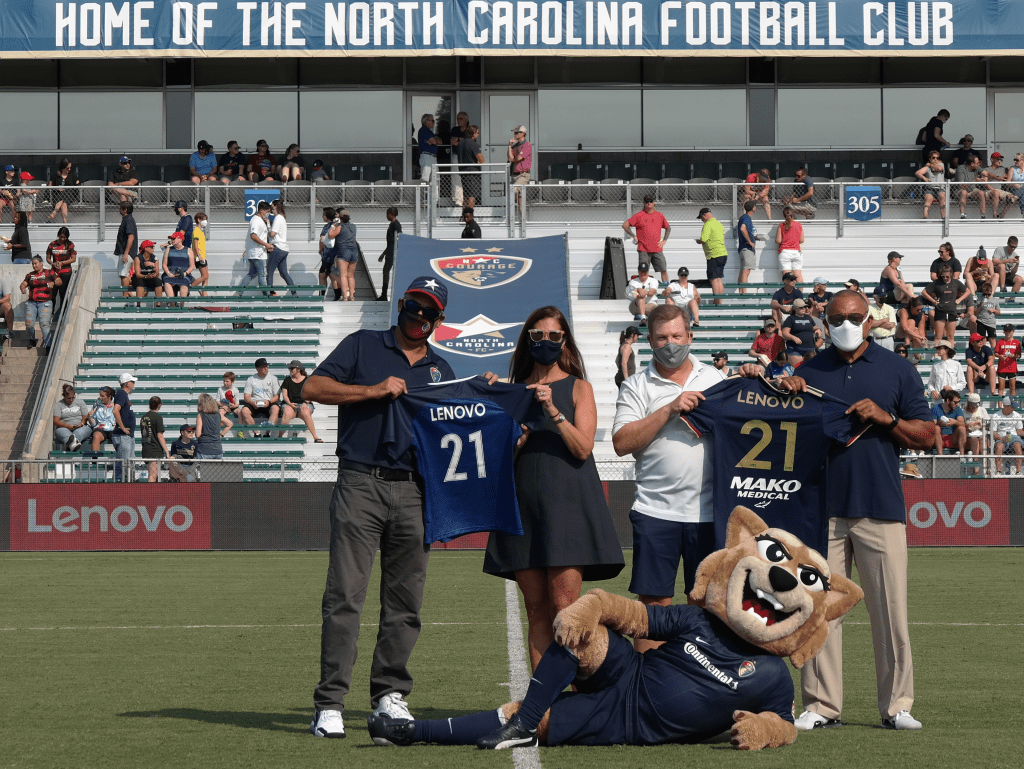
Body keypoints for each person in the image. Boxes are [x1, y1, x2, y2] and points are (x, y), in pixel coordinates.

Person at [763, 289, 934, 733]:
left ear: (870, 320)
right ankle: (820, 705)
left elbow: (927, 434)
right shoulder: (808, 369)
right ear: (824, 321)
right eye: (837, 317)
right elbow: (782, 438)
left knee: (890, 610)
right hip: (821, 511)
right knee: (817, 610)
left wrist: (888, 419)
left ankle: (898, 705)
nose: (845, 324)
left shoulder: (898, 369)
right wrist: (788, 398)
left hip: (880, 506)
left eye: (854, 316)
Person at [304, 277, 457, 739]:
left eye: (428, 311)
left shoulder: (441, 370)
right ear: (400, 304)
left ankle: (390, 696)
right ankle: (330, 702)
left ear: (438, 319)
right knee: (344, 597)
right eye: (413, 305)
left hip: (415, 490)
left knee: (405, 602)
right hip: (360, 481)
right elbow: (312, 387)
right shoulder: (362, 345)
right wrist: (371, 391)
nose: (419, 316)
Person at [484, 307, 624, 670]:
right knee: (537, 612)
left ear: (564, 343)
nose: (545, 342)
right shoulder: (510, 392)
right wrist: (510, 427)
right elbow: (495, 459)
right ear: (526, 341)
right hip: (522, 509)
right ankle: (543, 709)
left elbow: (582, 447)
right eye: (537, 336)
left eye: (553, 336)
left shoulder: (580, 387)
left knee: (566, 612)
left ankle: (577, 699)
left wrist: (551, 411)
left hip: (567, 508)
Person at [611, 303, 725, 652]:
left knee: (706, 607)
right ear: (649, 340)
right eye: (662, 338)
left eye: (677, 335)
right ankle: (645, 693)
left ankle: (700, 693)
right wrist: (669, 407)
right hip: (655, 511)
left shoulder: (715, 379)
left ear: (690, 336)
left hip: (709, 513)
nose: (671, 343)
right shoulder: (636, 386)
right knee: (651, 611)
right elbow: (621, 443)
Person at [623, 194, 671, 283]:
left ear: (654, 203)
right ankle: (642, 289)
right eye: (646, 201)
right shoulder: (639, 215)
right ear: (644, 203)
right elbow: (625, 225)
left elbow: (668, 227)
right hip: (643, 248)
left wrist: (664, 240)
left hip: (657, 248)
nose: (649, 203)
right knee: (643, 270)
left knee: (663, 269)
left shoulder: (659, 215)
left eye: (651, 201)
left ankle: (666, 288)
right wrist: (634, 236)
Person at [921, 263, 969, 347]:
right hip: (940, 309)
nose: (945, 278)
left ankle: (950, 354)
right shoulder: (937, 283)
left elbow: (968, 291)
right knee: (938, 336)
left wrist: (959, 299)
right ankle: (936, 354)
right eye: (943, 276)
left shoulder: (956, 282)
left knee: (950, 336)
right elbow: (924, 292)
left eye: (947, 276)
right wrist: (933, 301)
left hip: (952, 310)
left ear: (951, 274)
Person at [19, 256, 59, 350]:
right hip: (32, 303)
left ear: (41, 263)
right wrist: (22, 288)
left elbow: (59, 281)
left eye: (35, 263)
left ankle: (48, 346)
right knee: (29, 324)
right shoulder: (30, 275)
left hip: (45, 303)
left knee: (44, 324)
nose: (34, 265)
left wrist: (53, 283)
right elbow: (23, 283)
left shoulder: (49, 272)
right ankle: (32, 339)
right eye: (32, 264)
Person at [280, 360, 323, 443]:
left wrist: (305, 402)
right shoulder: (287, 380)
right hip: (290, 403)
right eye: (289, 368)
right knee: (287, 412)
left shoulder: (307, 380)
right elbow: (284, 395)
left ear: (298, 369)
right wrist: (290, 404)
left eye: (292, 368)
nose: (290, 370)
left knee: (305, 411)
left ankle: (315, 437)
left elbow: (311, 394)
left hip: (304, 403)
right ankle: (280, 436)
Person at [240, 357, 281, 438]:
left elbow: (277, 396)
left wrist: (269, 402)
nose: (266, 368)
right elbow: (246, 396)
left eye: (266, 366)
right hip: (255, 403)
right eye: (263, 367)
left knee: (275, 409)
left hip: (269, 402)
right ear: (257, 369)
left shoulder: (273, 378)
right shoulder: (251, 379)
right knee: (244, 410)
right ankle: (256, 433)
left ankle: (267, 432)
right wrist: (252, 402)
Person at [239, 201, 273, 297]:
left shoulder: (259, 220)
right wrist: (266, 245)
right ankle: (266, 296)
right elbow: (253, 236)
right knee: (262, 275)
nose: (268, 214)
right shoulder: (256, 221)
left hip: (255, 252)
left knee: (251, 274)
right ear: (261, 210)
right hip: (258, 253)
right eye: (267, 211)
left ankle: (238, 293)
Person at [695, 207, 727, 305]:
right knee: (719, 278)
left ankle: (717, 303)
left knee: (714, 279)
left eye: (701, 218)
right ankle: (719, 301)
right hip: (722, 254)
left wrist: (699, 241)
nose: (702, 220)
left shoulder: (708, 224)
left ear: (704, 215)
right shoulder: (718, 224)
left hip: (713, 255)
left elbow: (704, 239)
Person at [111, 372, 138, 482]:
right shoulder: (122, 394)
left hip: (127, 436)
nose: (134, 383)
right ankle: (119, 485)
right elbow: (115, 410)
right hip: (123, 436)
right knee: (123, 463)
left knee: (128, 463)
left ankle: (128, 483)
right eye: (132, 381)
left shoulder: (123, 395)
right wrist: (122, 427)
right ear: (127, 384)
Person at [45, 226, 76, 316]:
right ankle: (50, 313)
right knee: (52, 294)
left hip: (66, 273)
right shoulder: (52, 244)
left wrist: (63, 263)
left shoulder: (70, 245)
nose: (62, 239)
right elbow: (48, 258)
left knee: (63, 294)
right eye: (61, 237)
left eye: (64, 237)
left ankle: (63, 314)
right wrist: (53, 263)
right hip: (54, 273)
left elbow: (73, 259)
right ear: (58, 235)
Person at [267, 199, 296, 297]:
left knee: (269, 272)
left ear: (274, 206)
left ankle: (271, 293)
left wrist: (267, 225)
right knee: (284, 273)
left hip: (278, 248)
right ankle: (294, 294)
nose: (270, 208)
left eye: (271, 206)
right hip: (284, 249)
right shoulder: (282, 218)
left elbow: (272, 234)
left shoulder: (278, 218)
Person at [781, 298, 822, 366]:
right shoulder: (790, 319)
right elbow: (785, 333)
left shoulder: (808, 317)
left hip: (810, 349)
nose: (804, 308)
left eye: (805, 307)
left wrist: (818, 330)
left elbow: (814, 327)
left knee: (811, 369)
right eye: (801, 307)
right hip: (796, 349)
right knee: (797, 370)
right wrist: (793, 337)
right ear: (795, 308)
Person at [139, 396, 170, 483]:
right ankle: (149, 495)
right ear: (159, 405)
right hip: (154, 449)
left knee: (151, 474)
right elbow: (160, 435)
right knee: (153, 476)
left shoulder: (143, 417)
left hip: (146, 448)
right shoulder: (158, 417)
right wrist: (167, 452)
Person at [53, 384, 92, 452]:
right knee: (64, 434)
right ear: (64, 396)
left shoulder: (80, 402)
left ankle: (70, 446)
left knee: (79, 432)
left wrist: (81, 423)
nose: (71, 400)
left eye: (73, 397)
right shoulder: (58, 405)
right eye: (69, 398)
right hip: (64, 427)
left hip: (80, 426)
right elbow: (56, 421)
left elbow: (85, 417)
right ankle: (73, 445)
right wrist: (67, 426)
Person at [736, 200, 764, 293]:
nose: (756, 207)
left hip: (743, 248)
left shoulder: (744, 217)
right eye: (755, 206)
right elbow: (743, 229)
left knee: (743, 271)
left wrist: (754, 238)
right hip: (747, 249)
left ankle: (741, 292)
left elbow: (745, 231)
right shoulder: (747, 217)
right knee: (746, 271)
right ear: (753, 208)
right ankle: (744, 293)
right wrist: (750, 242)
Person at [992, 396, 1024, 475]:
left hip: (1014, 437)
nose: (1014, 408)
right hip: (1001, 437)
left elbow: (1019, 430)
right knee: (999, 446)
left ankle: (1018, 471)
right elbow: (993, 433)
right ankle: (998, 471)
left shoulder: (1017, 415)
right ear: (1005, 406)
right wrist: (1001, 439)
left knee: (1017, 445)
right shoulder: (996, 416)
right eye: (1012, 406)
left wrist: (1022, 433)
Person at [161, 231, 195, 306]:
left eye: (173, 239)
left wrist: (185, 273)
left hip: (183, 274)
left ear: (180, 239)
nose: (171, 241)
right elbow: (164, 264)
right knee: (167, 283)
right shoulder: (168, 250)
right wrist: (169, 273)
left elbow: (192, 266)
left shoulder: (188, 250)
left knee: (184, 285)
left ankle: (182, 306)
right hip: (170, 274)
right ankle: (172, 305)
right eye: (171, 239)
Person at [333, 208, 359, 301]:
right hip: (354, 251)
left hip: (344, 251)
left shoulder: (340, 227)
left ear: (340, 217)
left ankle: (345, 296)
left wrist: (333, 226)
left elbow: (330, 235)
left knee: (343, 275)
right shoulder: (353, 227)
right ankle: (352, 296)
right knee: (351, 276)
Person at [775, 206, 805, 283]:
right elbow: (801, 240)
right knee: (798, 274)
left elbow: (778, 240)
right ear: (793, 214)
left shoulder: (781, 225)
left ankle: (788, 294)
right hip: (796, 252)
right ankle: (800, 294)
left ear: (784, 215)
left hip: (785, 252)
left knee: (787, 275)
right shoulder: (799, 225)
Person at [377, 207, 402, 302]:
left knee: (386, 271)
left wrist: (393, 252)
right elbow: (391, 242)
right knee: (385, 271)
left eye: (387, 214)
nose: (387, 216)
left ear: (391, 214)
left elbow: (399, 238)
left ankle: (384, 295)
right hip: (390, 251)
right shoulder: (392, 224)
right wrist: (383, 253)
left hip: (393, 252)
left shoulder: (396, 224)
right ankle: (383, 295)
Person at [932, 389, 966, 455]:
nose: (957, 404)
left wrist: (955, 422)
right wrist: (940, 423)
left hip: (952, 438)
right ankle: (940, 455)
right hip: (939, 438)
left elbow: (963, 423)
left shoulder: (957, 409)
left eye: (958, 402)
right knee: (936, 428)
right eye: (955, 402)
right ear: (948, 400)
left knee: (962, 428)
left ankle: (962, 455)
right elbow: (933, 424)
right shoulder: (936, 408)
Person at [114, 202, 138, 298]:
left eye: (121, 208)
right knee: (126, 274)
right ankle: (129, 295)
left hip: (126, 252)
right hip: (126, 252)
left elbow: (131, 237)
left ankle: (125, 296)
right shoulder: (128, 220)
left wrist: (126, 253)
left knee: (123, 274)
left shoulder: (128, 220)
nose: (119, 210)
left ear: (125, 210)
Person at [457, 124, 484, 209]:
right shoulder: (473, 144)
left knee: (466, 195)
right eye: (477, 133)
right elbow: (481, 159)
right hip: (472, 172)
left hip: (462, 171)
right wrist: (480, 159)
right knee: (472, 195)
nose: (478, 134)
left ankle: (464, 215)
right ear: (473, 133)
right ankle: (470, 215)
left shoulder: (460, 143)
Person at [915, 151, 947, 220]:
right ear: (930, 159)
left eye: (937, 158)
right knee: (928, 198)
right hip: (930, 189)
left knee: (942, 197)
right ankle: (925, 217)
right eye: (933, 158)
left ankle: (944, 217)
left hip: (940, 188)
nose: (935, 159)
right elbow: (917, 173)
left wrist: (930, 165)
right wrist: (924, 178)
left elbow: (938, 169)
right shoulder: (927, 168)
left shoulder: (941, 165)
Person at [508, 125, 532, 214]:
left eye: (517, 133)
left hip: (523, 174)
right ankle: (519, 217)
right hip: (515, 174)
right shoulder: (516, 146)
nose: (515, 134)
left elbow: (518, 158)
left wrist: (514, 159)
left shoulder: (527, 145)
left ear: (523, 134)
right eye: (514, 132)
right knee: (519, 198)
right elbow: (510, 158)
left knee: (514, 190)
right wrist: (509, 146)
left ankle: (521, 217)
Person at [981, 151, 1015, 216]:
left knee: (1013, 197)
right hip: (988, 191)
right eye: (997, 159)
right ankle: (995, 214)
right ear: (992, 159)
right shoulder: (985, 169)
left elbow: (1008, 178)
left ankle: (1002, 214)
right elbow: (984, 183)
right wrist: (993, 190)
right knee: (996, 193)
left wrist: (1006, 177)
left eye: (1001, 159)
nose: (1000, 161)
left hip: (1000, 190)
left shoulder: (1003, 169)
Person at [318, 207, 342, 300]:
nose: (322, 216)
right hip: (336, 254)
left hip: (328, 255)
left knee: (324, 275)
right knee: (332, 274)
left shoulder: (328, 227)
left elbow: (322, 240)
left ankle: (322, 296)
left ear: (327, 215)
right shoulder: (339, 225)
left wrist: (320, 250)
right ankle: (337, 296)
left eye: (323, 214)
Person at [954, 154, 988, 218]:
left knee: (981, 192)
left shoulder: (977, 167)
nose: (979, 164)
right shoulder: (961, 168)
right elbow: (961, 186)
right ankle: (962, 215)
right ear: (972, 164)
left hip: (972, 190)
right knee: (964, 192)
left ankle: (983, 215)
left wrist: (984, 177)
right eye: (977, 163)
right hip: (960, 190)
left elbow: (986, 173)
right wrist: (974, 181)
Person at [47, 158, 80, 223]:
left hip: (70, 195)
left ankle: (54, 212)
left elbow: (78, 185)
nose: (69, 169)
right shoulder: (56, 175)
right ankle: (65, 221)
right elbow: (50, 186)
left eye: (70, 168)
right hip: (58, 195)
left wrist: (77, 183)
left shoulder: (72, 175)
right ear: (63, 167)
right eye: (67, 168)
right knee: (64, 203)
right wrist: (57, 189)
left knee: (66, 194)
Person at [132, 240, 163, 307]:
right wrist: (146, 276)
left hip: (150, 278)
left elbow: (157, 274)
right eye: (151, 247)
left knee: (158, 281)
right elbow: (137, 274)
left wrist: (153, 266)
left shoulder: (154, 258)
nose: (153, 248)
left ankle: (158, 305)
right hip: (140, 277)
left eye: (153, 247)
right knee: (140, 282)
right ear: (145, 248)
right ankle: (138, 305)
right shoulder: (138, 258)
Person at [194, 393, 226, 459]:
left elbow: (198, 434)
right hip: (218, 449)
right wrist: (221, 434)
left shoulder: (201, 415)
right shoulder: (218, 415)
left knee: (202, 469)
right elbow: (230, 424)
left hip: (204, 449)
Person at [965, 332, 997, 396]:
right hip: (975, 375)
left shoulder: (986, 348)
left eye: (981, 340)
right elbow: (969, 361)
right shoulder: (969, 350)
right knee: (969, 368)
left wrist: (983, 367)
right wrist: (979, 369)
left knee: (992, 367)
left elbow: (991, 359)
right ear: (972, 343)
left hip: (986, 375)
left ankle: (993, 391)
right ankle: (971, 392)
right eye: (978, 341)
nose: (980, 342)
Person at [868, 286, 898, 351]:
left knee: (888, 360)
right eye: (881, 297)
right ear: (875, 298)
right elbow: (869, 324)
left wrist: (876, 323)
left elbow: (891, 325)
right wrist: (884, 320)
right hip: (874, 340)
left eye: (884, 296)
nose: (883, 298)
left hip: (888, 340)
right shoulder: (869, 308)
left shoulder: (890, 308)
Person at [995, 323, 1021, 397]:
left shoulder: (1017, 342)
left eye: (1010, 331)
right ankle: (1000, 405)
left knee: (1012, 388)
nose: (1008, 332)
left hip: (1012, 367)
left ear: (1013, 331)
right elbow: (995, 353)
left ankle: (1012, 405)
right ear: (1004, 332)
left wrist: (1014, 356)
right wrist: (1000, 356)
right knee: (1001, 387)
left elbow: (1019, 355)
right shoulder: (1000, 341)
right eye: (1006, 331)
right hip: (1002, 367)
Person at [88, 387, 117, 452]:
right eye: (100, 395)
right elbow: (94, 424)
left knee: (118, 438)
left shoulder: (116, 406)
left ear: (109, 396)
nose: (100, 397)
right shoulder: (97, 406)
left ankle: (121, 459)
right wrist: (89, 417)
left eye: (102, 396)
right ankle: (94, 461)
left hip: (113, 429)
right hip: (100, 429)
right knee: (96, 436)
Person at [963, 392, 988, 465]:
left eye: (975, 406)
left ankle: (985, 465)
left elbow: (989, 425)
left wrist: (982, 424)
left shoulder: (982, 410)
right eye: (972, 406)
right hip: (969, 436)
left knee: (983, 440)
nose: (973, 408)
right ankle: (976, 466)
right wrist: (968, 425)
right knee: (975, 440)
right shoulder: (963, 412)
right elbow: (960, 426)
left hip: (981, 435)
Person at [190, 213, 210, 296]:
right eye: (204, 219)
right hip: (199, 257)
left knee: (206, 276)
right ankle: (190, 287)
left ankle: (204, 293)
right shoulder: (196, 231)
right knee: (204, 276)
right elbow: (195, 244)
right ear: (199, 220)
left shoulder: (200, 232)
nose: (205, 221)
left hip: (203, 256)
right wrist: (199, 255)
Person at [417, 114, 439, 182]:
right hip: (427, 156)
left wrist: (434, 140)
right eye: (432, 121)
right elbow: (434, 141)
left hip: (433, 157)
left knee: (435, 179)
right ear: (426, 121)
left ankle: (434, 193)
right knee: (425, 178)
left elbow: (439, 141)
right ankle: (422, 193)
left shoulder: (430, 131)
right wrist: (434, 140)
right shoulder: (424, 130)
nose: (433, 122)